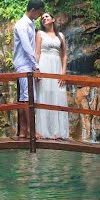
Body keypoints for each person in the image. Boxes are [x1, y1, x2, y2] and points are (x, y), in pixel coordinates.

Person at [12, 0, 45, 138]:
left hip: (28, 64)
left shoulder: (30, 23)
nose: (39, 16)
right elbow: (26, 47)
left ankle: (23, 131)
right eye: (39, 13)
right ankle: (31, 130)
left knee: (25, 96)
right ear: (33, 10)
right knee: (28, 97)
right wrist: (35, 67)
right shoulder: (21, 25)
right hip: (23, 64)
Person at [35, 12, 69, 140]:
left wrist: (63, 73)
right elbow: (37, 53)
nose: (44, 19)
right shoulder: (40, 34)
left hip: (56, 67)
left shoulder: (61, 36)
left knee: (57, 95)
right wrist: (36, 69)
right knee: (44, 95)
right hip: (44, 65)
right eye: (42, 18)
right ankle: (43, 131)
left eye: (47, 17)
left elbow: (64, 55)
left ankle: (57, 131)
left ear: (53, 19)